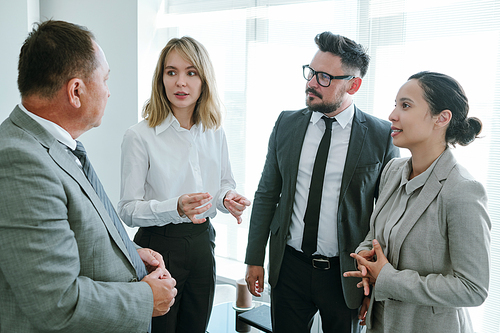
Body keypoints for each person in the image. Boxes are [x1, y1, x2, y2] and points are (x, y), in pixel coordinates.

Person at [0, 20, 177, 333]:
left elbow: (66, 234)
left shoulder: (56, 144)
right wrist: (145, 299)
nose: (109, 92)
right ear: (76, 91)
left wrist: (129, 256)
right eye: (105, 79)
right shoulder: (20, 161)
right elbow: (56, 301)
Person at [244, 31, 399, 333]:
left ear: (353, 85)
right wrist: (254, 259)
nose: (311, 83)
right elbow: (266, 194)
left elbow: (387, 215)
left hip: (345, 276)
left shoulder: (380, 135)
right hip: (288, 268)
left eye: (325, 77)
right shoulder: (286, 123)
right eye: (311, 72)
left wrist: (374, 280)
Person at [118, 36, 251, 333]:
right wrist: (175, 207)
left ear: (204, 80)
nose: (181, 82)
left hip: (203, 243)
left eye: (191, 73)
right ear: (161, 78)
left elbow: (222, 185)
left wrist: (226, 198)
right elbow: (127, 209)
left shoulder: (215, 131)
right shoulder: (139, 136)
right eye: (171, 72)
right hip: (158, 247)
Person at [344, 71, 491, 333]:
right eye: (396, 104)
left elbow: (473, 289)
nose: (392, 115)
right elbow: (377, 234)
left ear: (442, 118)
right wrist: (367, 255)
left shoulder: (463, 191)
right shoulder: (393, 170)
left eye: (406, 105)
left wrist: (387, 278)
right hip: (379, 323)